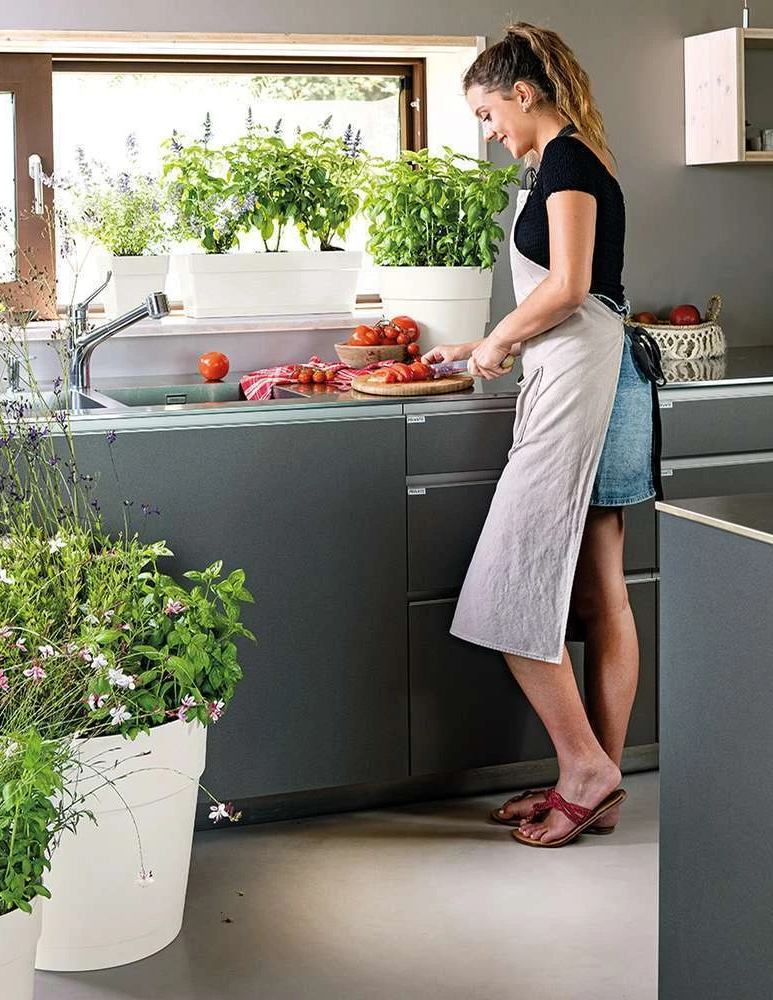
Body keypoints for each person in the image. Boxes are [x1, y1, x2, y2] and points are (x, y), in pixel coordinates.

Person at [422, 23, 656, 848]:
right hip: (603, 371)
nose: (489, 131)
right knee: (600, 592)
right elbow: (570, 295)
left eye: (488, 114)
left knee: (507, 589)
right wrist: (477, 343)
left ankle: (586, 771)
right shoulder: (568, 159)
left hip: (587, 377)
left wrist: (498, 340)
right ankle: (596, 781)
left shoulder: (566, 162)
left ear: (523, 94)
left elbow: (569, 286)